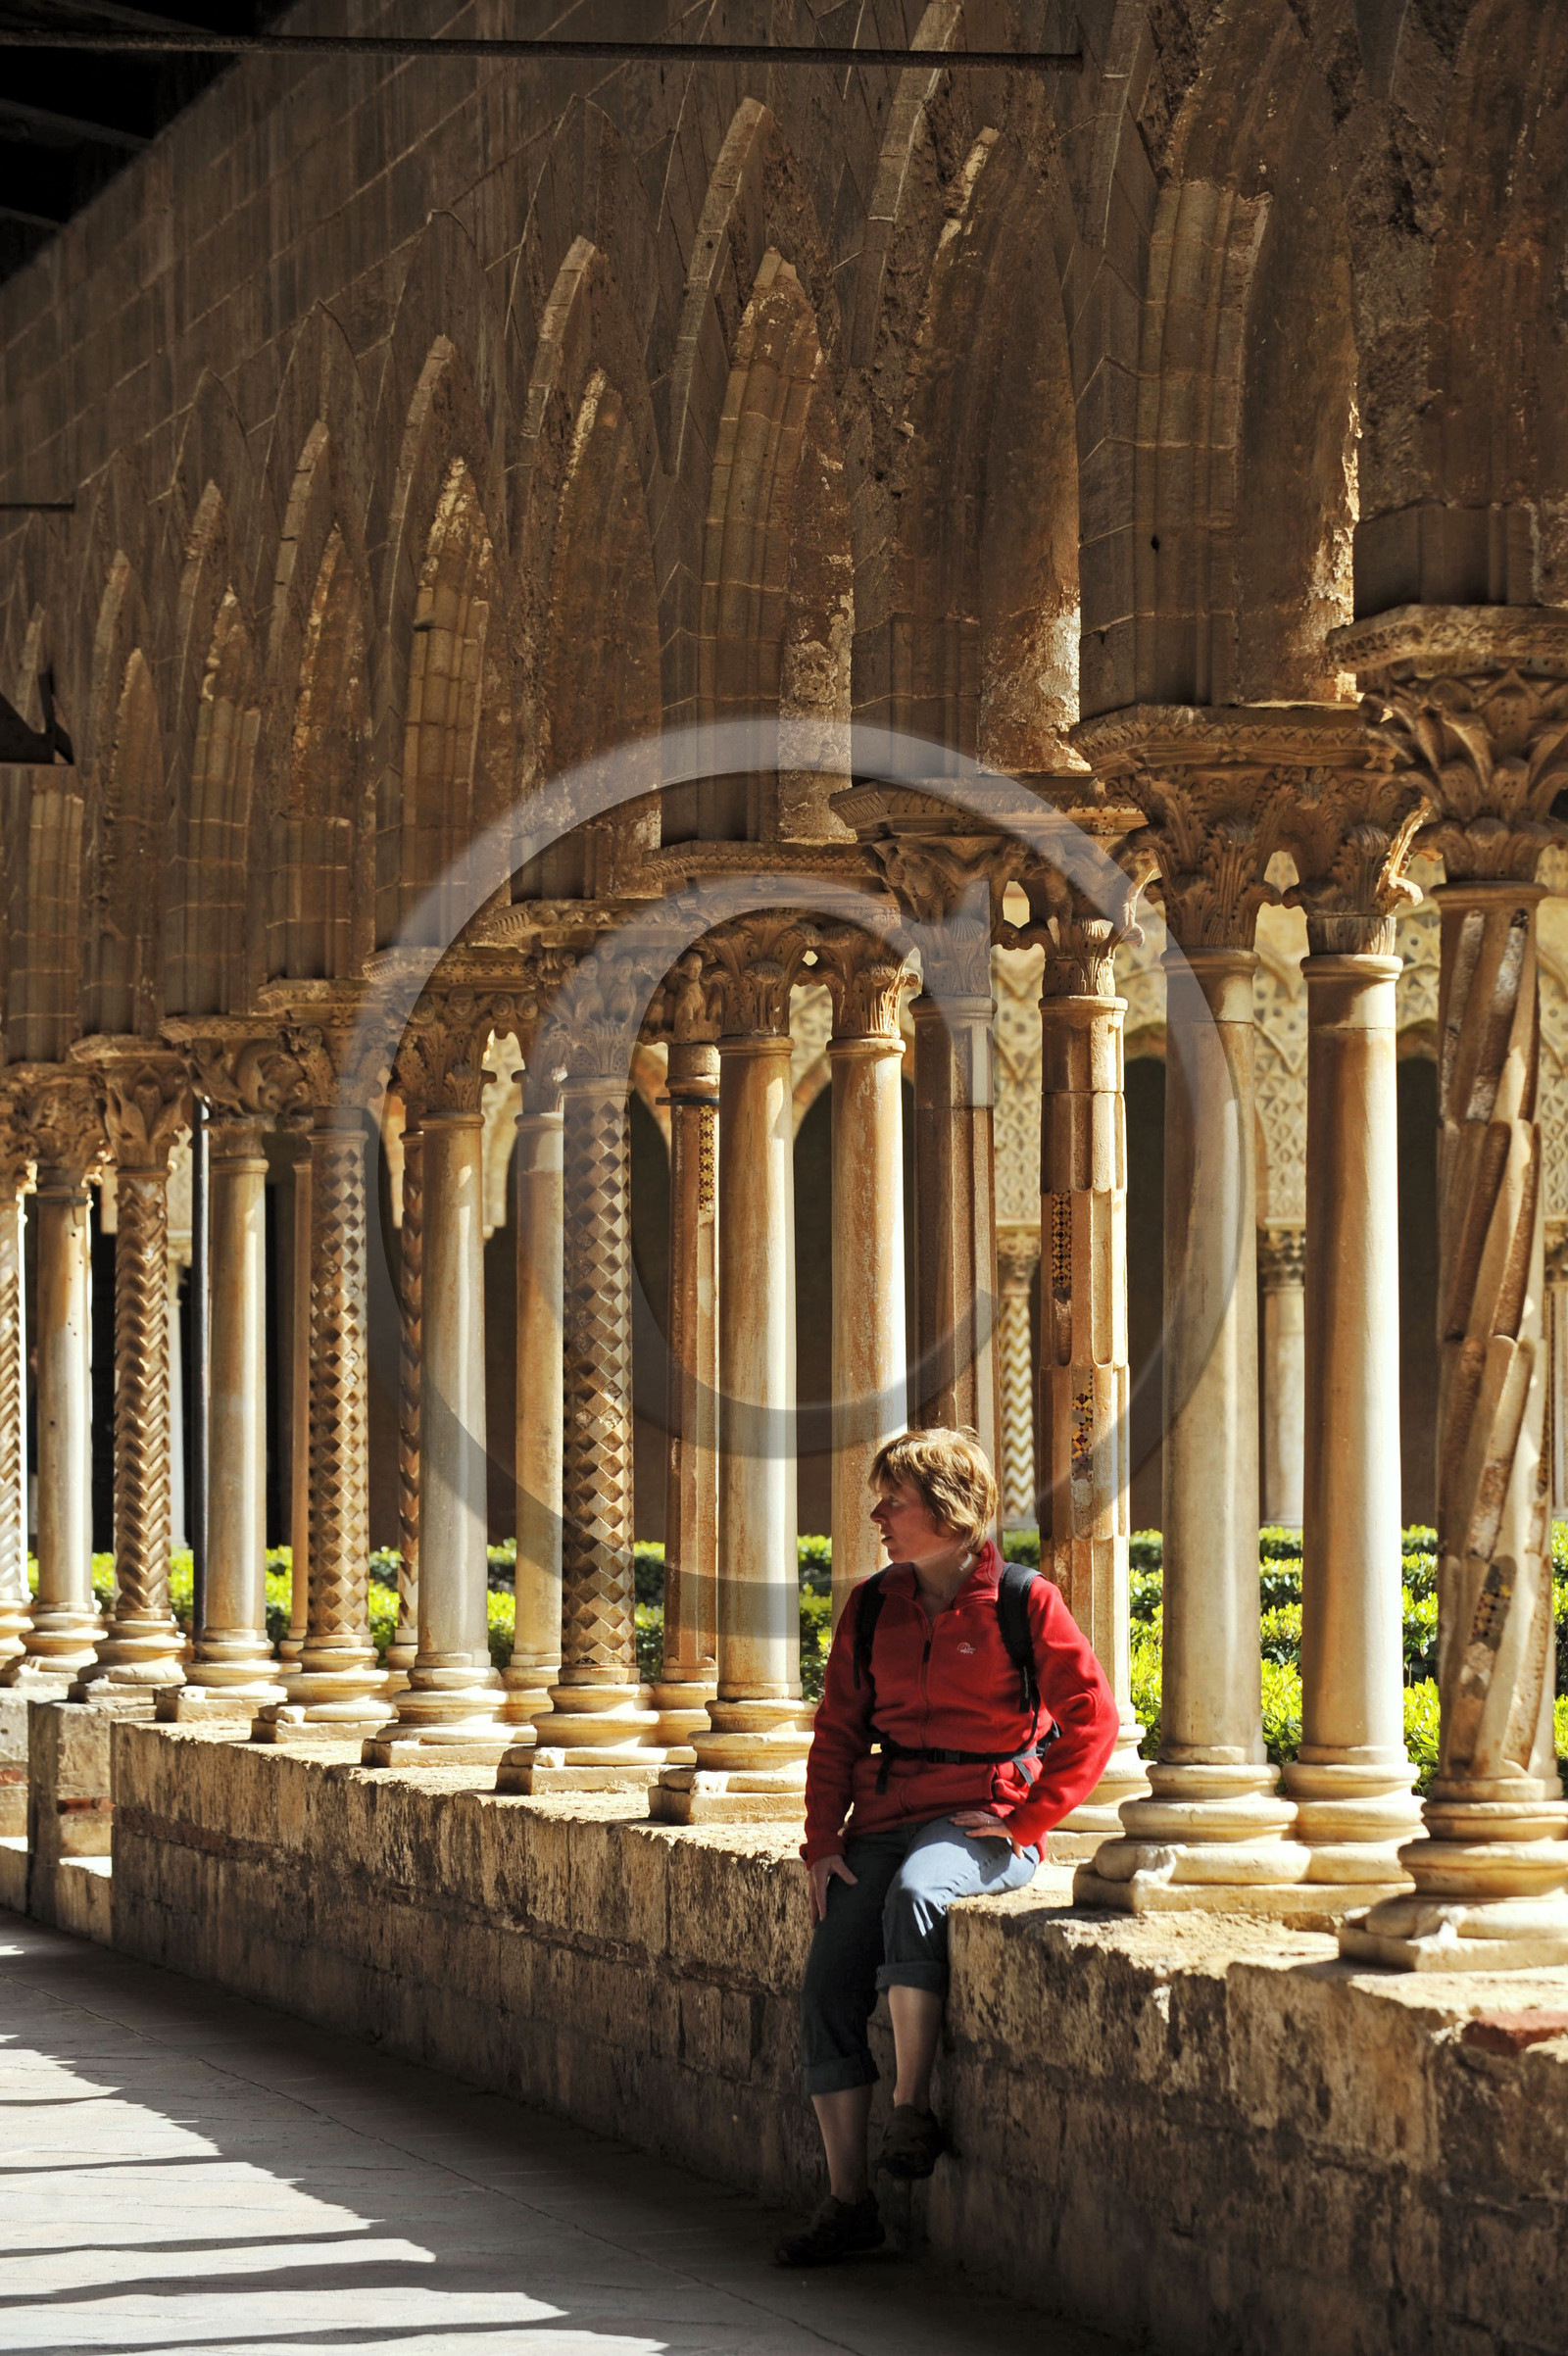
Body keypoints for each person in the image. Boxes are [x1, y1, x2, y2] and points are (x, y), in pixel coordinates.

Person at [775, 1427, 1119, 2268]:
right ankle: (849, 2203)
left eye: (894, 1499)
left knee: (920, 1894)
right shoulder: (872, 1604)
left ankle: (911, 2107)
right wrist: (822, 1842)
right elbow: (837, 1735)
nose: (877, 1514)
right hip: (886, 1817)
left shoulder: (1023, 1600)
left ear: (948, 1506)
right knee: (825, 1987)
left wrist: (1032, 1820)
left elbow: (1094, 1720)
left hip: (980, 1822)